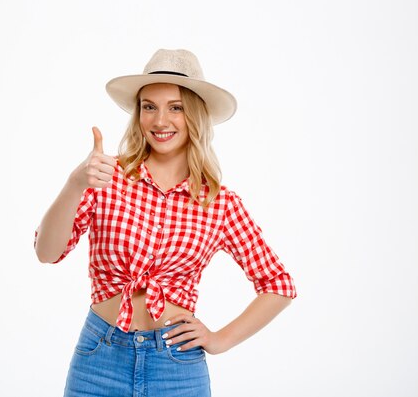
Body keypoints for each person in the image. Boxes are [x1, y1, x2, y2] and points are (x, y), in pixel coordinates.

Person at [34, 48, 297, 397]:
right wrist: (74, 184)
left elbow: (277, 284)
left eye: (175, 107)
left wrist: (219, 340)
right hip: (99, 360)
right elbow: (47, 252)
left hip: (177, 369)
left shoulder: (219, 203)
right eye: (149, 107)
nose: (160, 121)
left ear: (196, 115)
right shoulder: (104, 178)